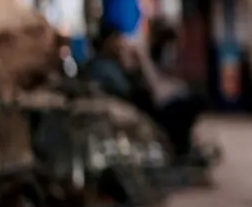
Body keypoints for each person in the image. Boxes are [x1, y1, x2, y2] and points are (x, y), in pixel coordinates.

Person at [87, 24, 204, 162]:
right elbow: (129, 90)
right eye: (116, 41)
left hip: (146, 104)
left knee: (189, 103)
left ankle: (182, 149)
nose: (120, 45)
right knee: (188, 106)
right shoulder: (103, 67)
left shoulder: (114, 64)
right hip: (143, 107)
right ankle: (180, 152)